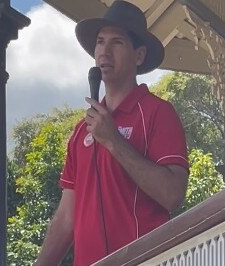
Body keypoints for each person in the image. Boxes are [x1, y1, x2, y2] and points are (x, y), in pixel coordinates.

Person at [35, 1, 189, 265]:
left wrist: (113, 140)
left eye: (116, 42)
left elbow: (172, 193)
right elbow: (65, 219)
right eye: (100, 42)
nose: (104, 52)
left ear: (138, 55)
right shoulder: (81, 131)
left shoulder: (157, 112)